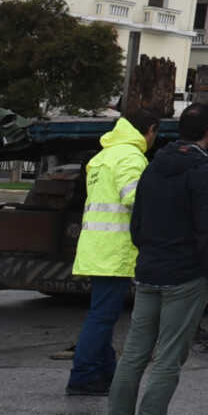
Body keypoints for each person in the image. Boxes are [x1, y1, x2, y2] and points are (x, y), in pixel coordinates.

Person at [106, 102, 208, 415]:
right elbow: (207, 230)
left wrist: (149, 252)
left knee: (134, 355)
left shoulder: (154, 166)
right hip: (184, 273)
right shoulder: (203, 172)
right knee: (169, 356)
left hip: (149, 269)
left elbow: (137, 223)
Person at [65, 101, 153, 395]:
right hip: (115, 249)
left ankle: (104, 374)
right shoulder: (131, 158)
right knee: (102, 315)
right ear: (149, 131)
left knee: (103, 312)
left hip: (97, 246)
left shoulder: (104, 156)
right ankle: (84, 375)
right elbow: (137, 203)